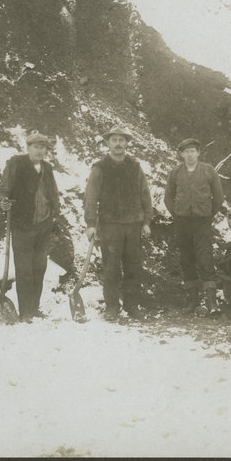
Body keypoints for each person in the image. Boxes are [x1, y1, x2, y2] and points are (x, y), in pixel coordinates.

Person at [85, 126, 153, 321]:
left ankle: (132, 306)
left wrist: (146, 222)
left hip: (133, 224)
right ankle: (112, 307)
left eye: (121, 140)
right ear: (108, 143)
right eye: (114, 140)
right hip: (110, 224)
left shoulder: (135, 166)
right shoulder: (100, 167)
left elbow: (145, 195)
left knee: (133, 267)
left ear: (127, 143)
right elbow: (91, 197)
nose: (118, 144)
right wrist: (91, 223)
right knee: (111, 268)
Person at [0, 132, 61, 321]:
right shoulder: (16, 163)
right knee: (24, 269)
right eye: (36, 147)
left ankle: (34, 308)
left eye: (43, 147)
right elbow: (3, 189)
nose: (39, 151)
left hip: (44, 225)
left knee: (39, 268)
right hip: (22, 225)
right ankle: (25, 312)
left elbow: (53, 192)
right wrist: (2, 202)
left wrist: (54, 213)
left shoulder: (47, 168)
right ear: (28, 148)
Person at [163, 138, 225, 316]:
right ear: (181, 154)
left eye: (192, 151)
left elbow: (219, 197)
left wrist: (208, 214)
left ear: (198, 153)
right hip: (182, 223)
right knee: (186, 260)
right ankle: (194, 302)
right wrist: (177, 214)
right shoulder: (175, 172)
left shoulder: (208, 170)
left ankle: (212, 303)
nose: (190, 154)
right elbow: (168, 198)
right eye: (186, 151)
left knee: (205, 259)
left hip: (202, 222)